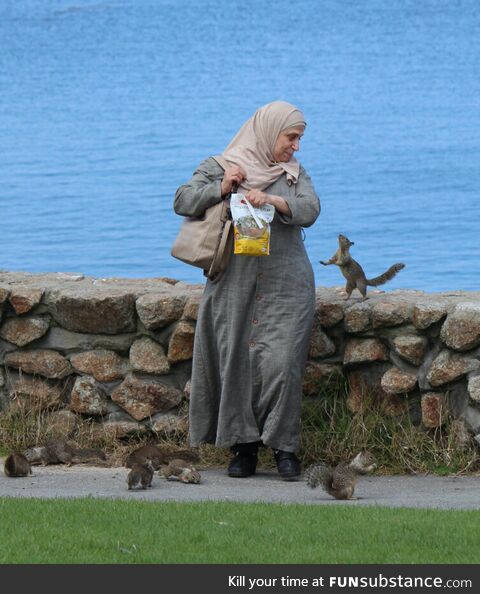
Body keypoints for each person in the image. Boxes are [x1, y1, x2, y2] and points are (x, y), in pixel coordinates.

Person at [174, 101, 320, 480]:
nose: (296, 146)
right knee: (234, 363)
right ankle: (244, 449)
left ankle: (284, 447)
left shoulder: (293, 175)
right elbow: (182, 200)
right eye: (291, 137)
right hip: (232, 286)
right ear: (269, 132)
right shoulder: (220, 165)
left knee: (282, 364)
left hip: (286, 286)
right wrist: (222, 187)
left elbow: (311, 208)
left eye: (299, 138)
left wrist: (272, 200)